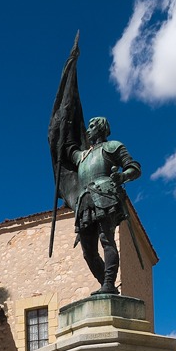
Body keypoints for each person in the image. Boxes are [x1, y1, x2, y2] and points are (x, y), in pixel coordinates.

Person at [66, 116, 141, 296]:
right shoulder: (81, 156)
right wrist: (65, 121)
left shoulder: (112, 146)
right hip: (84, 201)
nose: (88, 130)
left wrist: (122, 177)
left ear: (101, 129)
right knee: (88, 252)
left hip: (105, 195)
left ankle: (108, 283)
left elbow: (134, 168)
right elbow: (67, 148)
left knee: (106, 240)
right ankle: (107, 285)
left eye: (92, 126)